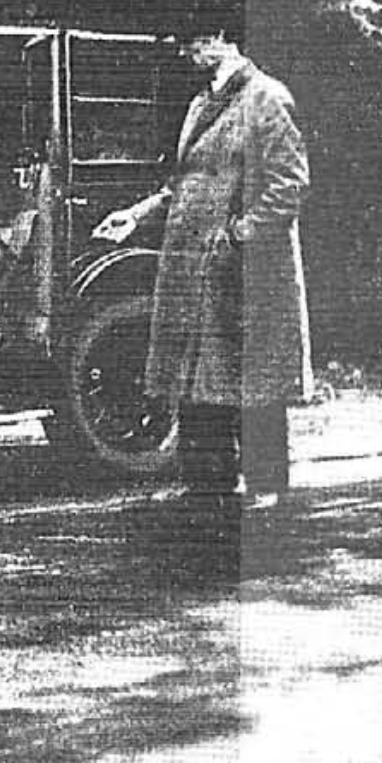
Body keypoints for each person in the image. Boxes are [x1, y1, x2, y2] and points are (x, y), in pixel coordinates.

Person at [94, 29, 312, 511]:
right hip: (192, 264)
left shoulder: (267, 99)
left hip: (245, 268)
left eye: (196, 40)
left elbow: (288, 188)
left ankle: (266, 484)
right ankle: (206, 484)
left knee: (252, 374)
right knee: (198, 375)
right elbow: (185, 183)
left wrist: (236, 236)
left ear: (225, 38)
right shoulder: (200, 103)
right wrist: (137, 214)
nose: (186, 51)